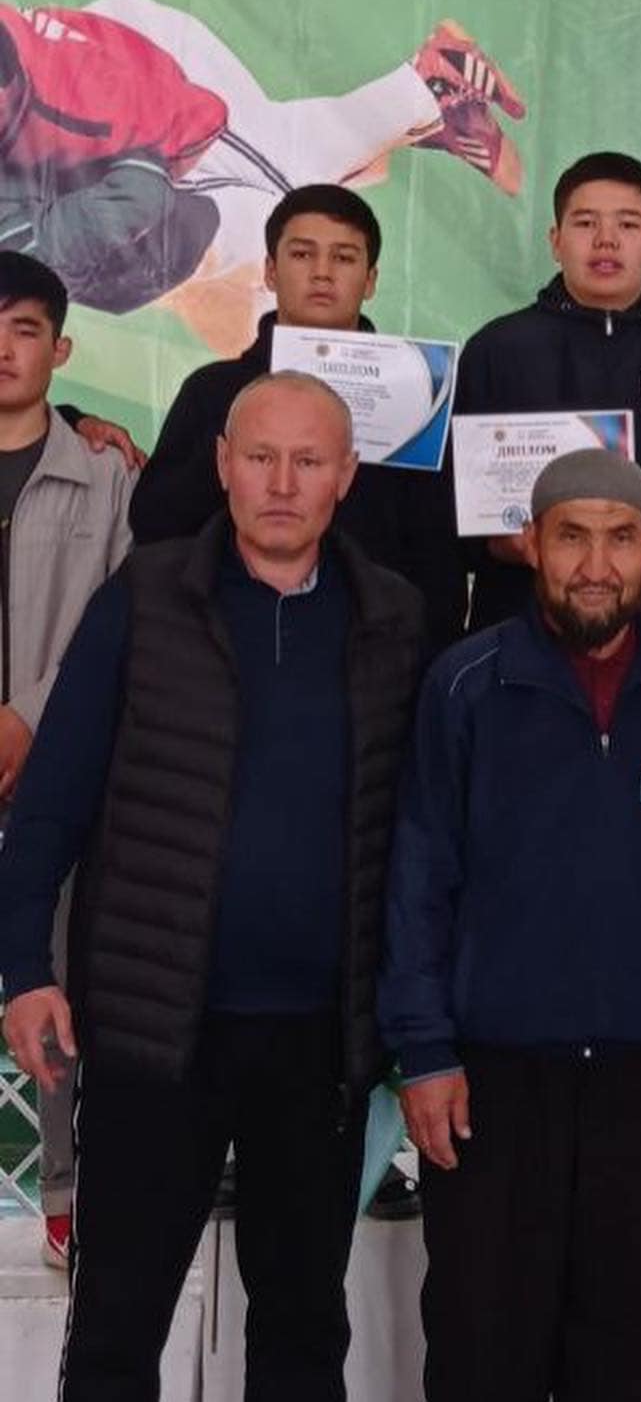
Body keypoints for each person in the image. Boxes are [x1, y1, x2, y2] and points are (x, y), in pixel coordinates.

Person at [0, 371, 426, 1402]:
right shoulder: (142, 598)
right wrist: (23, 970)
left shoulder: (396, 618)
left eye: (308, 460)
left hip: (321, 1048)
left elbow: (423, 835)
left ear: (345, 476)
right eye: (261, 456)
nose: (282, 483)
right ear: (224, 465)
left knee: (302, 1334)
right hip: (154, 1036)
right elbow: (49, 804)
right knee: (116, 1330)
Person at [379, 448, 641, 1402]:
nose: (596, 564)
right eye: (572, 537)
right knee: (480, 1360)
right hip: (491, 1083)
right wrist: (425, 1052)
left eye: (620, 538)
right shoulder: (465, 685)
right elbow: (418, 879)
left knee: (627, 1367)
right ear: (530, 544)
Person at [0, 0, 525, 353]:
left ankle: (426, 88)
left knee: (290, 210)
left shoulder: (88, 103)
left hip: (159, 93)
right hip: (91, 157)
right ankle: (418, 118)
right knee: (240, 334)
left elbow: (190, 129)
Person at [130, 182, 465, 651]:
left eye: (344, 258)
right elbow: (156, 524)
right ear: (270, 270)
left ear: (370, 280)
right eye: (303, 254)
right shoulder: (213, 392)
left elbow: (440, 557)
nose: (322, 273)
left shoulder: (417, 402)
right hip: (229, 643)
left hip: (377, 652)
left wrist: (427, 663)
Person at [0, 251, 134, 1269]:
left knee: (59, 982)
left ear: (62, 347)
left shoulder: (107, 473)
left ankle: (66, 1192)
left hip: (61, 764)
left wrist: (29, 717)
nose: (4, 349)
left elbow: (117, 619)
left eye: (25, 329)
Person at [454, 150, 641, 638]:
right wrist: (497, 541)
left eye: (627, 224)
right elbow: (445, 517)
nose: (606, 240)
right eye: (585, 223)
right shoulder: (494, 351)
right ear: (555, 241)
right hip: (517, 629)